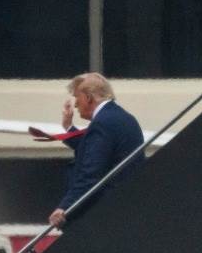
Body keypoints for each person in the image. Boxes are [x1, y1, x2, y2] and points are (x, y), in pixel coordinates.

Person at [48, 73, 145, 228]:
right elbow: (96, 149)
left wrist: (64, 207)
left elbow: (91, 172)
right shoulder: (121, 117)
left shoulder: (102, 123)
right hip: (127, 206)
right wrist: (68, 128)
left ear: (88, 98)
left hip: (106, 215)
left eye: (77, 98)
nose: (76, 105)